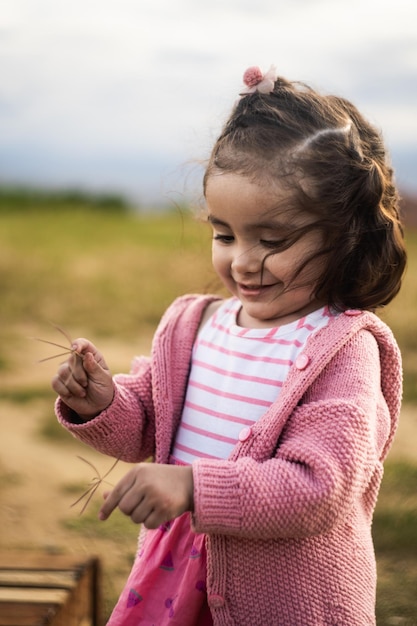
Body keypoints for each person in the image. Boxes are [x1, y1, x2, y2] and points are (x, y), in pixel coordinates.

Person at [52, 64, 407, 625]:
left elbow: (320, 487)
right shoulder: (192, 326)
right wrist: (99, 403)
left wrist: (194, 487)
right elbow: (145, 426)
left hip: (285, 599)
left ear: (345, 234)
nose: (242, 260)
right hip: (175, 580)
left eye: (272, 239)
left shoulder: (342, 350)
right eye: (224, 233)